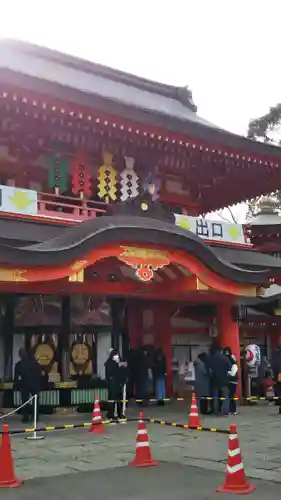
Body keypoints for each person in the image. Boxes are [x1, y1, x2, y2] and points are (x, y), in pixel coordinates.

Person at [14, 348, 42, 423]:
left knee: (24, 401)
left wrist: (16, 386)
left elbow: (16, 378)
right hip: (35, 384)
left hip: (24, 384)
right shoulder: (34, 362)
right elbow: (40, 372)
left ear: (20, 355)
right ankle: (35, 416)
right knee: (35, 401)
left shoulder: (18, 364)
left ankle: (25, 417)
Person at [208, 343, 231, 415]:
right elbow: (229, 367)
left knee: (215, 397)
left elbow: (209, 369)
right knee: (225, 396)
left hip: (214, 380)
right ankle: (225, 411)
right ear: (221, 351)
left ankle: (215, 411)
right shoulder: (225, 358)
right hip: (224, 380)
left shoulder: (211, 359)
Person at [104, 349, 125, 420]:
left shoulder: (118, 362)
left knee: (119, 400)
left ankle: (119, 414)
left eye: (118, 355)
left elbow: (122, 372)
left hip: (118, 384)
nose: (117, 356)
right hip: (112, 385)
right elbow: (110, 373)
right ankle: (110, 414)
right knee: (112, 400)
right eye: (116, 355)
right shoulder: (109, 363)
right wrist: (117, 365)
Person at [223, 347, 238, 415]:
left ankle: (231, 410)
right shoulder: (233, 362)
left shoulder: (233, 364)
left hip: (231, 381)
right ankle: (232, 410)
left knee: (230, 396)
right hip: (232, 381)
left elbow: (233, 374)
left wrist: (227, 373)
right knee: (230, 396)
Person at [271, 345, 281, 414]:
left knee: (279, 393)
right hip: (278, 376)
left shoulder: (275, 357)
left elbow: (274, 367)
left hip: (278, 378)